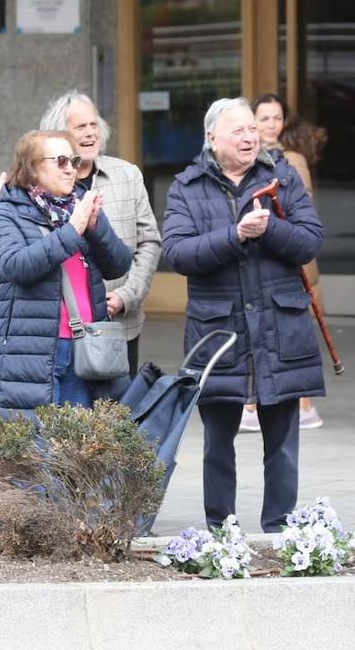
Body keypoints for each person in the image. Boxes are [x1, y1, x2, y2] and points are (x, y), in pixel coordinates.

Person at [163, 98, 324, 532]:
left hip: (280, 324)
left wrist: (270, 228)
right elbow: (177, 253)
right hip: (219, 331)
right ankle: (220, 528)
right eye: (239, 130)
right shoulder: (187, 186)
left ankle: (279, 527)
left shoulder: (281, 176)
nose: (250, 136)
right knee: (218, 440)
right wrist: (234, 235)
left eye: (253, 128)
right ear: (212, 137)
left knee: (283, 440)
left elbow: (310, 241)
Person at [0, 129, 132, 417]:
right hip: (35, 349)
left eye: (74, 161)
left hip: (87, 346)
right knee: (39, 448)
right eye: (61, 161)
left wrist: (95, 228)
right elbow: (16, 265)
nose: (71, 170)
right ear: (32, 167)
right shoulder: (7, 213)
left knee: (77, 448)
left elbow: (120, 264)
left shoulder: (79, 206)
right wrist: (73, 230)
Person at [40, 92, 162, 377]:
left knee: (117, 413)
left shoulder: (127, 175)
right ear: (59, 134)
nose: (90, 133)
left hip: (119, 323)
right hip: (62, 325)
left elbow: (149, 242)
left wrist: (127, 296)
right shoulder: (42, 182)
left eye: (93, 125)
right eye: (80, 127)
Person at [250, 93, 327, 430]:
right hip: (266, 252)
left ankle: (304, 403)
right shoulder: (248, 155)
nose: (271, 124)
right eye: (264, 118)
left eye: (276, 117)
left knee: (293, 331)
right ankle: (256, 402)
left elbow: (303, 209)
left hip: (292, 257)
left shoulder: (291, 159)